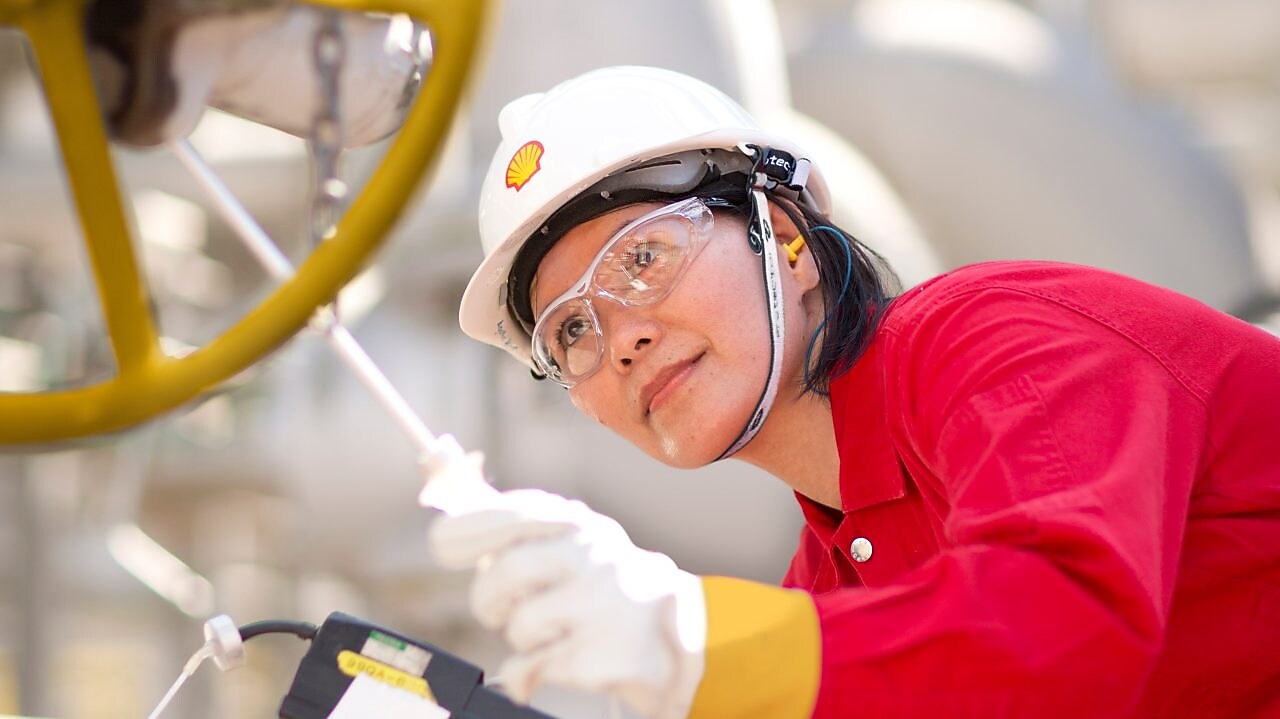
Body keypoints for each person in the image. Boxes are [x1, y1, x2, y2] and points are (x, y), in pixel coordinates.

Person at [428, 65, 1280, 719]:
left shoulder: (998, 342)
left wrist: (687, 634)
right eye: (570, 331)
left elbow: (1067, 629)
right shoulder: (831, 586)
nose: (620, 340)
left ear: (789, 237)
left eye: (643, 258)